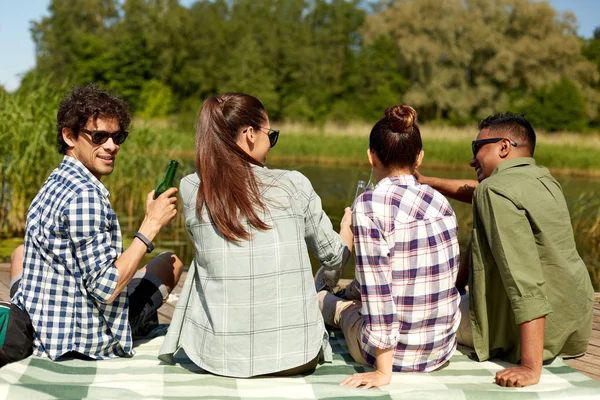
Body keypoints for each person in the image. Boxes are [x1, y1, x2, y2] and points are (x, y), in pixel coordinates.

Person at [158, 93, 352, 378]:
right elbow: (335, 256)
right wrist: (346, 229)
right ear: (250, 134)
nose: (271, 144)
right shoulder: (293, 183)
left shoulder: (193, 188)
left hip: (217, 357)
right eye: (270, 135)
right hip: (296, 356)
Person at [417, 112, 595, 387]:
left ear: (503, 147)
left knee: (409, 311)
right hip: (570, 323)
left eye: (477, 148)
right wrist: (428, 181)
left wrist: (530, 366)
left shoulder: (494, 192)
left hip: (534, 337)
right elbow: (478, 190)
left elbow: (524, 280)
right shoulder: (543, 179)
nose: (471, 159)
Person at [9, 84, 184, 361]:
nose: (111, 146)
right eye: (99, 136)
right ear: (69, 135)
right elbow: (107, 289)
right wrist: (150, 225)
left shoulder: (55, 180)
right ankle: (142, 323)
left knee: (19, 252)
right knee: (170, 262)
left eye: (117, 137)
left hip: (41, 328)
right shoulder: (86, 197)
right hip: (85, 341)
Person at [317, 105, 462, 389]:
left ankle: (330, 297)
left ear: (371, 157)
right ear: (419, 157)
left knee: (319, 300)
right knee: (359, 293)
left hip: (394, 357)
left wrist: (383, 372)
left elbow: (379, 293)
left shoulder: (369, 206)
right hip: (440, 348)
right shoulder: (440, 202)